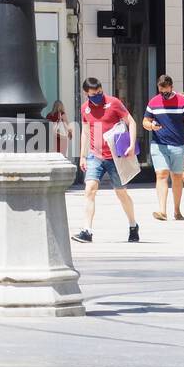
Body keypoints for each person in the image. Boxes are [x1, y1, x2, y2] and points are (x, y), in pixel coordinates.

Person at [72, 76, 140, 244]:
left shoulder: (114, 103)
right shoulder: (85, 109)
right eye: (94, 93)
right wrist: (82, 155)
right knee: (90, 190)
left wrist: (131, 144)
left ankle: (133, 225)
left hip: (115, 156)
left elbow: (131, 122)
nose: (98, 95)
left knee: (121, 192)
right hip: (95, 155)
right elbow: (86, 132)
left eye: (100, 92)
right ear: (86, 93)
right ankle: (87, 231)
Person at [143, 74, 184, 222]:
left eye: (166, 91)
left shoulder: (181, 101)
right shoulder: (153, 102)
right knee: (161, 174)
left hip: (178, 145)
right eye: (161, 92)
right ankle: (162, 211)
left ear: (171, 87)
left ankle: (177, 210)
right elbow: (145, 121)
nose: (164, 95)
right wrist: (151, 126)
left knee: (177, 177)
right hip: (159, 145)